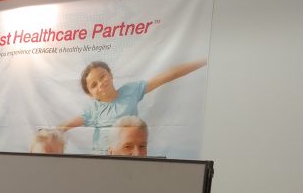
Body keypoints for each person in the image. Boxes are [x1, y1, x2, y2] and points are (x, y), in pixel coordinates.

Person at [60, 59, 206, 153]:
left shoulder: (130, 91)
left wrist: (202, 61)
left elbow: (169, 75)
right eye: (94, 85)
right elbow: (68, 125)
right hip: (103, 161)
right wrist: (54, 132)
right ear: (91, 94)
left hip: (130, 156)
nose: (101, 84)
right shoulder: (93, 109)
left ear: (110, 74)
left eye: (102, 76)